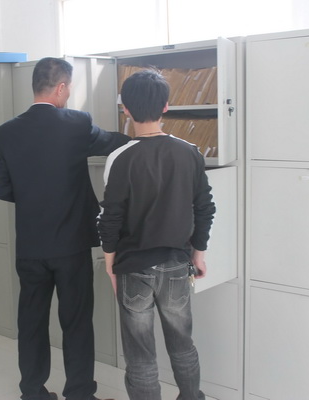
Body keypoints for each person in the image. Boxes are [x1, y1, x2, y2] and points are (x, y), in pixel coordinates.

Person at [0, 57, 130, 400]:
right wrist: (141, 135)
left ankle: (32, 392)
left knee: (31, 323)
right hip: (71, 245)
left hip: (30, 247)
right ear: (61, 87)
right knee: (77, 322)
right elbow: (111, 142)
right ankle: (79, 393)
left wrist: (32, 196)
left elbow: (0, 188)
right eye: (69, 89)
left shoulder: (5, 132)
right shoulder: (77, 124)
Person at [97, 69, 216, 400]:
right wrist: (198, 255)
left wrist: (110, 265)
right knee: (183, 344)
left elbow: (110, 218)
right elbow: (205, 208)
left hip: (133, 267)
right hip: (177, 264)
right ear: (165, 107)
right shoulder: (190, 152)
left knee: (140, 356)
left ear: (126, 109)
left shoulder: (119, 158)